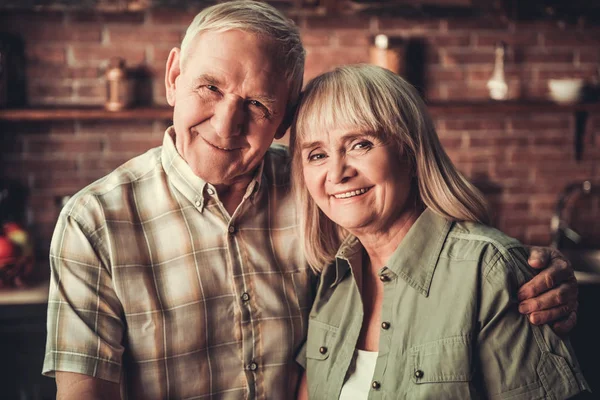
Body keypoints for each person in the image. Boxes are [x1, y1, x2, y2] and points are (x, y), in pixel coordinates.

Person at [42, 1, 578, 399]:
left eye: (257, 103)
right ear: (174, 77)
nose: (227, 124)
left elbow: (436, 251)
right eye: (209, 88)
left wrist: (527, 272)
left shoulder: (318, 194)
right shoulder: (95, 221)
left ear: (284, 118)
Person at [291, 64, 589, 399]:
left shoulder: (487, 269)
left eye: (360, 144)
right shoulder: (332, 281)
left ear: (409, 151)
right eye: (317, 154)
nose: (336, 172)